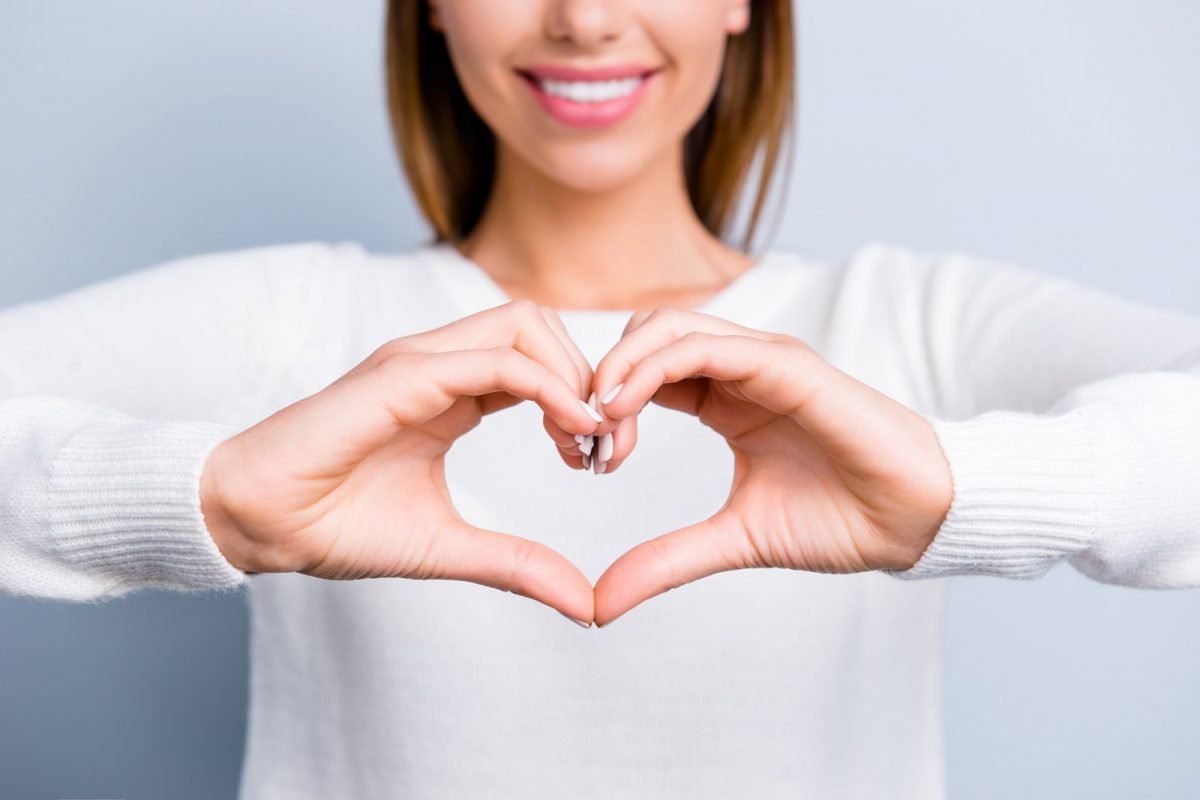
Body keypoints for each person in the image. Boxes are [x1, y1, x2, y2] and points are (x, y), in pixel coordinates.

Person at [2, 1, 1198, 797]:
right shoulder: (302, 318)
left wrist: (966, 488)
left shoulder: (907, 317)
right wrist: (205, 499)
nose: (580, 18)